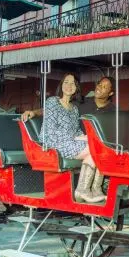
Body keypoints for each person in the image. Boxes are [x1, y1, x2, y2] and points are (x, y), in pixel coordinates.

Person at [39, 72, 105, 203]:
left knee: (100, 148)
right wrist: (79, 139)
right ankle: (82, 190)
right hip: (52, 142)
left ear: (76, 88)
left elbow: (76, 130)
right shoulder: (52, 102)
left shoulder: (74, 108)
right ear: (61, 85)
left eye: (73, 83)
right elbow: (51, 130)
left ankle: (95, 189)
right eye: (66, 82)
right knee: (94, 150)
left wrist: (85, 136)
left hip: (69, 142)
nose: (69, 86)